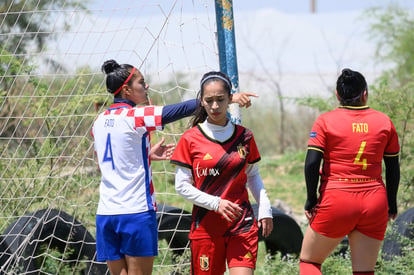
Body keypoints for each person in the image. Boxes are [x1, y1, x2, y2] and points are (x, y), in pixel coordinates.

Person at [91, 60, 257, 275]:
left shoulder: (100, 120)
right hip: (135, 211)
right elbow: (177, 110)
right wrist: (226, 99)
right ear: (127, 89)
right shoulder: (135, 116)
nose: (147, 86)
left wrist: (146, 156)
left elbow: (103, 164)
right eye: (142, 82)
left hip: (105, 213)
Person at [170, 71, 273, 275]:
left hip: (241, 225)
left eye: (220, 99)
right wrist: (216, 203)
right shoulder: (190, 139)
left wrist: (265, 208)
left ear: (230, 99)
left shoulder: (245, 136)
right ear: (201, 101)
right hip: (206, 229)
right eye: (209, 100)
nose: (215, 106)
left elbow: (253, 175)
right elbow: (181, 186)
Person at [299, 68, 400, 275]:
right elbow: (392, 167)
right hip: (374, 201)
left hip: (336, 199)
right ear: (365, 93)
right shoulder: (384, 122)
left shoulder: (325, 121)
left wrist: (311, 199)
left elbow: (311, 164)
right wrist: (392, 203)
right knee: (364, 272)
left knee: (309, 262)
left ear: (337, 95)